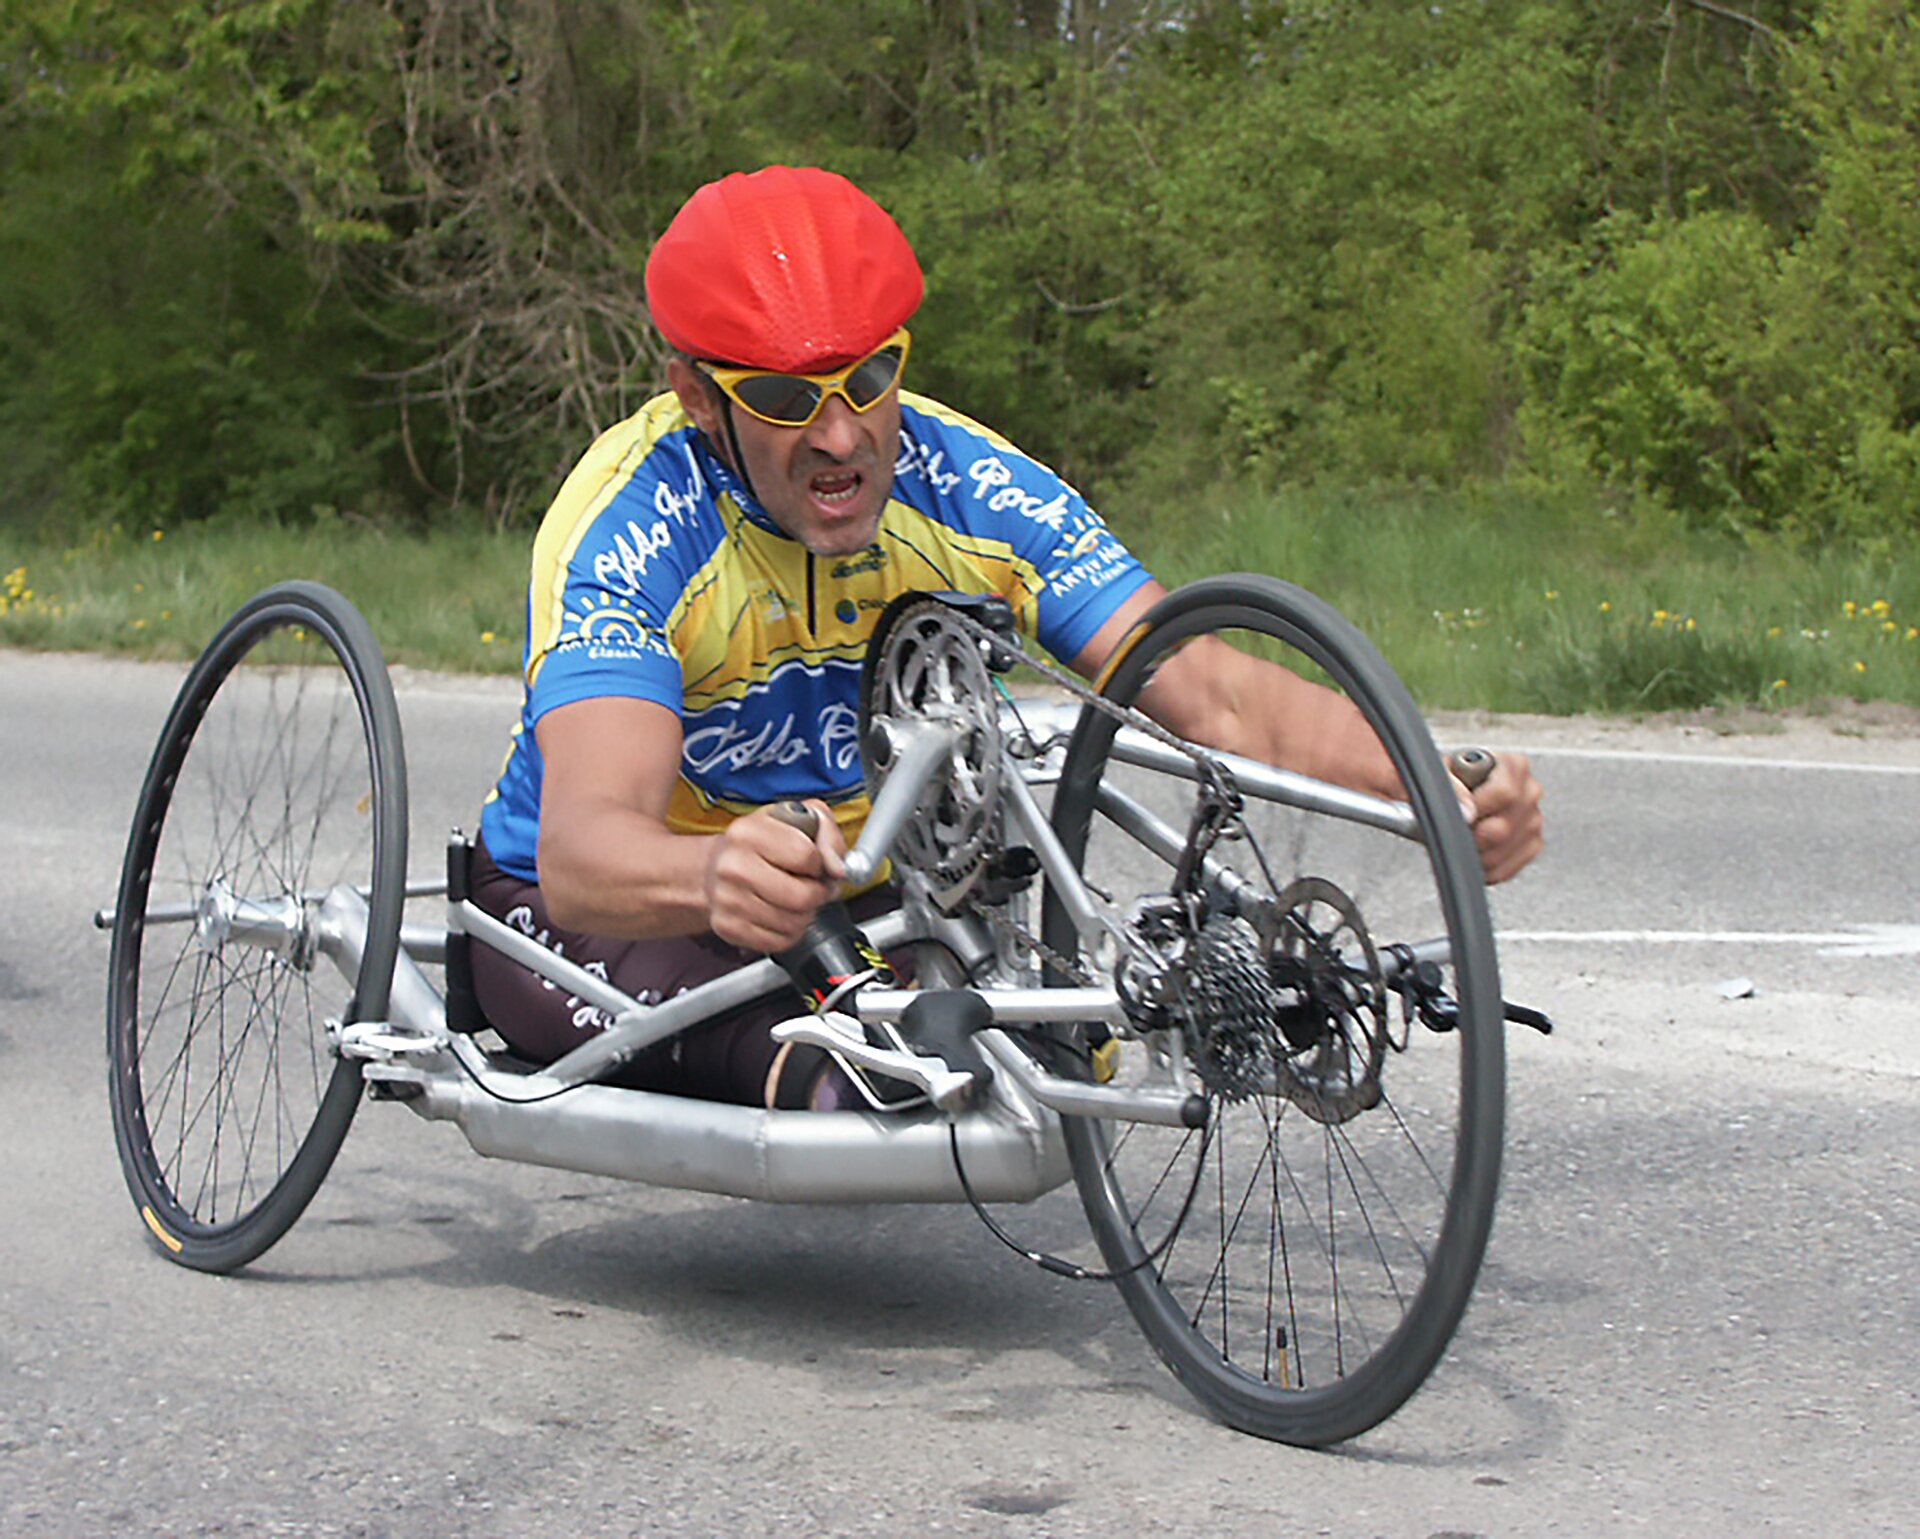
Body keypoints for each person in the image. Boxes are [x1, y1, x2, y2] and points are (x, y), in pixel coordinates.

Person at [471, 165, 1544, 1108]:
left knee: (1060, 1049)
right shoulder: (634, 523)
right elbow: (582, 851)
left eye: (871, 379)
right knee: (873, 1089)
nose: (842, 436)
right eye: (790, 398)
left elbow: (1205, 688)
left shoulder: (966, 481)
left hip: (861, 910)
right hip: (609, 917)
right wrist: (711, 877)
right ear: (700, 399)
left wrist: (1426, 782)